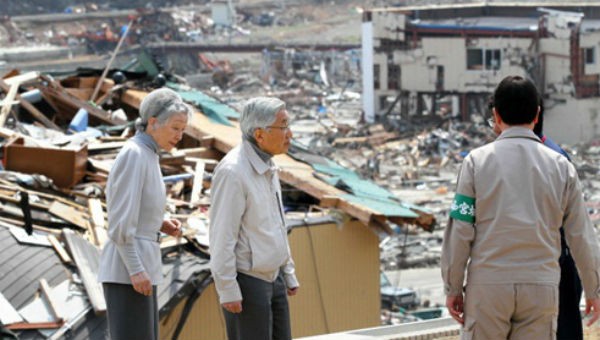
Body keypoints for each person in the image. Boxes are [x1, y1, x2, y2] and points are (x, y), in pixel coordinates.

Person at [442, 75, 600, 339]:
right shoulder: (561, 167)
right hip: (541, 288)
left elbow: (460, 229)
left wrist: (453, 287)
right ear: (537, 114)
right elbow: (581, 235)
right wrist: (594, 290)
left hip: (488, 288)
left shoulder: (475, 163)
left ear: (496, 115)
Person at [98, 88, 193, 340]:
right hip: (128, 270)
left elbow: (136, 207)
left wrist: (159, 223)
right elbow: (119, 222)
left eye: (183, 130)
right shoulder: (135, 154)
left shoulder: (148, 154)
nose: (179, 136)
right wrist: (136, 269)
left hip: (138, 266)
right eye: (175, 128)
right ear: (153, 122)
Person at [488, 98, 584, 339]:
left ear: (499, 118)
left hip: (545, 272)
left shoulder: (546, 159)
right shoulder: (554, 157)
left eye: (493, 120)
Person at [210, 97, 299, 340]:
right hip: (248, 281)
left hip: (274, 277)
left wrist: (288, 272)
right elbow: (222, 236)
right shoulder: (232, 172)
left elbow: (278, 223)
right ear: (259, 134)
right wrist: (227, 288)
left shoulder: (269, 165)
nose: (289, 134)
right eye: (283, 126)